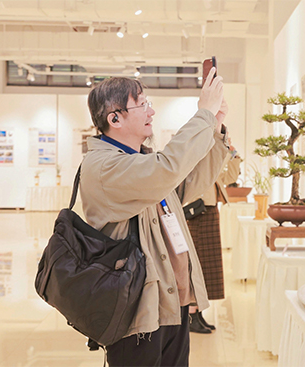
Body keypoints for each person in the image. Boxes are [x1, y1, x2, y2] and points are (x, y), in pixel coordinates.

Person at [80, 67, 230, 367]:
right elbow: (168, 169)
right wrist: (203, 114)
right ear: (115, 118)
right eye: (142, 104)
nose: (151, 110)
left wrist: (215, 126)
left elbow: (187, 183)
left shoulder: (140, 160)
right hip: (137, 310)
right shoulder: (104, 165)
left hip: (171, 301)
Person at [186, 149, 241, 333]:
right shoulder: (200, 158)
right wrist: (224, 151)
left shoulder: (212, 161)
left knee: (208, 266)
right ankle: (192, 313)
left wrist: (233, 154)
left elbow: (231, 176)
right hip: (199, 214)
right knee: (198, 265)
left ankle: (198, 312)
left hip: (209, 212)